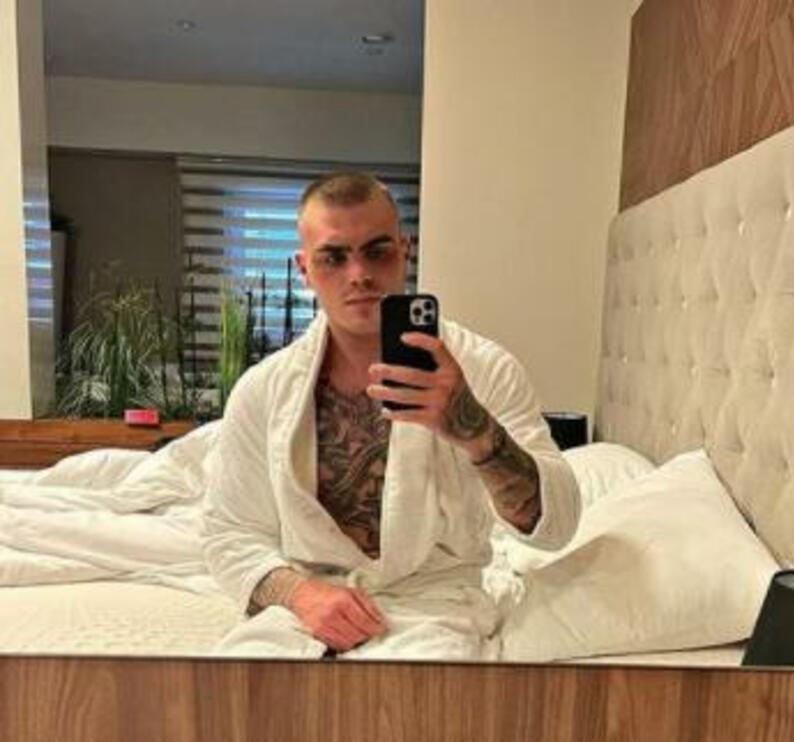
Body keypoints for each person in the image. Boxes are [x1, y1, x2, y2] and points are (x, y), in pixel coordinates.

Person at [203, 172, 580, 659]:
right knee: (240, 685)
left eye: (376, 251)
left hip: (436, 604)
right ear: (304, 269)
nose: (358, 273)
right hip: (308, 606)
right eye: (333, 257)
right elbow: (229, 533)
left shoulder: (485, 369)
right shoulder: (263, 390)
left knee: (418, 699)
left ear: (405, 251)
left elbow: (557, 526)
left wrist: (475, 430)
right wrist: (300, 594)